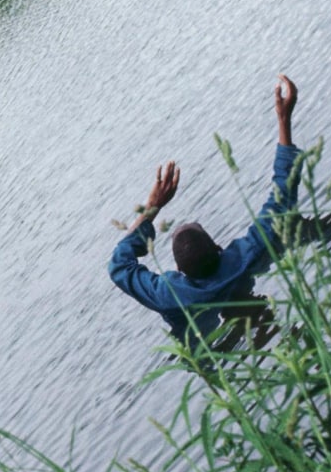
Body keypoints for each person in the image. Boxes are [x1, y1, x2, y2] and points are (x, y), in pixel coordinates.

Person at [108, 75, 302, 343]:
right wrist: (283, 119)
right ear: (219, 248)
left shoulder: (171, 295)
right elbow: (283, 196)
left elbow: (118, 266)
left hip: (212, 347)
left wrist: (152, 208)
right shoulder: (245, 256)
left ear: (178, 269)